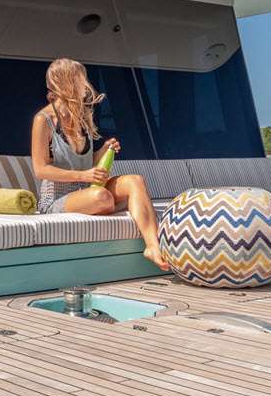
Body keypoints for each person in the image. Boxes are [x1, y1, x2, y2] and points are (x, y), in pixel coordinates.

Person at [30, 58, 169, 271]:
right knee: (102, 197)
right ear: (65, 83)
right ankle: (129, 205)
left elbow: (86, 163)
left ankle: (152, 246)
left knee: (135, 181)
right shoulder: (44, 120)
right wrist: (85, 176)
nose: (85, 86)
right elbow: (41, 170)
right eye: (80, 80)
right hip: (56, 200)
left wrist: (103, 150)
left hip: (89, 191)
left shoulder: (81, 118)